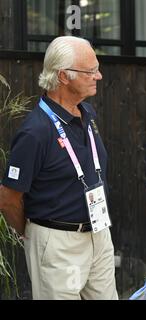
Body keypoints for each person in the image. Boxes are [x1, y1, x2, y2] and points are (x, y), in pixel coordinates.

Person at [0, 36, 118, 300]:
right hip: (58, 242)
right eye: (90, 71)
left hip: (98, 234)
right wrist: (35, 235)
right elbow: (8, 199)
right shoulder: (35, 132)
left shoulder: (87, 115)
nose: (98, 76)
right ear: (64, 76)